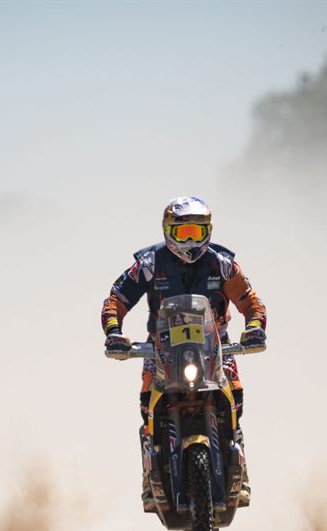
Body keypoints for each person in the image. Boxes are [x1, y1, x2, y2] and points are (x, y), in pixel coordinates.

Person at [101, 196, 267, 510]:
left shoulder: (222, 263)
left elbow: (251, 302)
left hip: (215, 347)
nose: (191, 240)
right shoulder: (149, 264)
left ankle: (240, 470)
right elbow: (116, 299)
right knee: (147, 409)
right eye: (183, 233)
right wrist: (113, 332)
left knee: (237, 400)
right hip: (162, 352)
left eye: (197, 231)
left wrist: (256, 327)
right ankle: (149, 478)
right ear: (168, 232)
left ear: (208, 231)